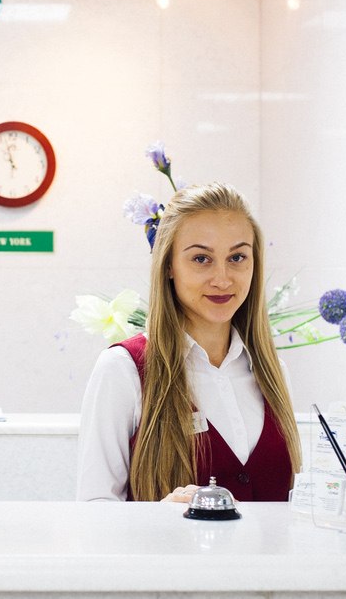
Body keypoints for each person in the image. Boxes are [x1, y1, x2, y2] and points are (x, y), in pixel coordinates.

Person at [76, 182, 301, 502]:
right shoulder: (124, 369)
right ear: (169, 265)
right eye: (201, 259)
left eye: (237, 257)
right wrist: (158, 518)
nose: (222, 279)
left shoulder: (273, 372)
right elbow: (95, 510)